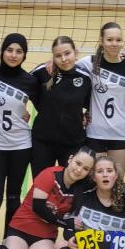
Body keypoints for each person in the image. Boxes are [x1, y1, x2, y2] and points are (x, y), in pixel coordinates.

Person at [0, 146, 96, 249]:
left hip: (45, 236)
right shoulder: (50, 174)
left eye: (86, 169)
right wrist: (66, 223)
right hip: (20, 229)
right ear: (70, 159)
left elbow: (110, 180)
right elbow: (39, 208)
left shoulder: (81, 188)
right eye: (78, 163)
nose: (79, 170)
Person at [0, 33, 38, 235]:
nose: (13, 55)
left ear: (24, 55)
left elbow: (47, 105)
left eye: (19, 51)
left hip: (20, 146)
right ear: (2, 51)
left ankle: (9, 243)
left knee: (14, 197)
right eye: (9, 50)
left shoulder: (30, 81)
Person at [77, 22, 125, 178]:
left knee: (117, 181)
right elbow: (66, 69)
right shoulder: (89, 62)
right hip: (95, 132)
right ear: (101, 41)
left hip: (119, 133)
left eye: (118, 40)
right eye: (110, 40)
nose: (114, 43)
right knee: (95, 180)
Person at [30, 36, 92, 177]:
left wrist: (87, 114)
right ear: (53, 57)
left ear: (75, 53)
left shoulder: (85, 77)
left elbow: (93, 103)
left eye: (67, 53)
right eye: (58, 56)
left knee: (70, 184)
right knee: (41, 184)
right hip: (42, 142)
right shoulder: (43, 72)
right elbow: (19, 81)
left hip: (73, 142)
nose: (63, 59)